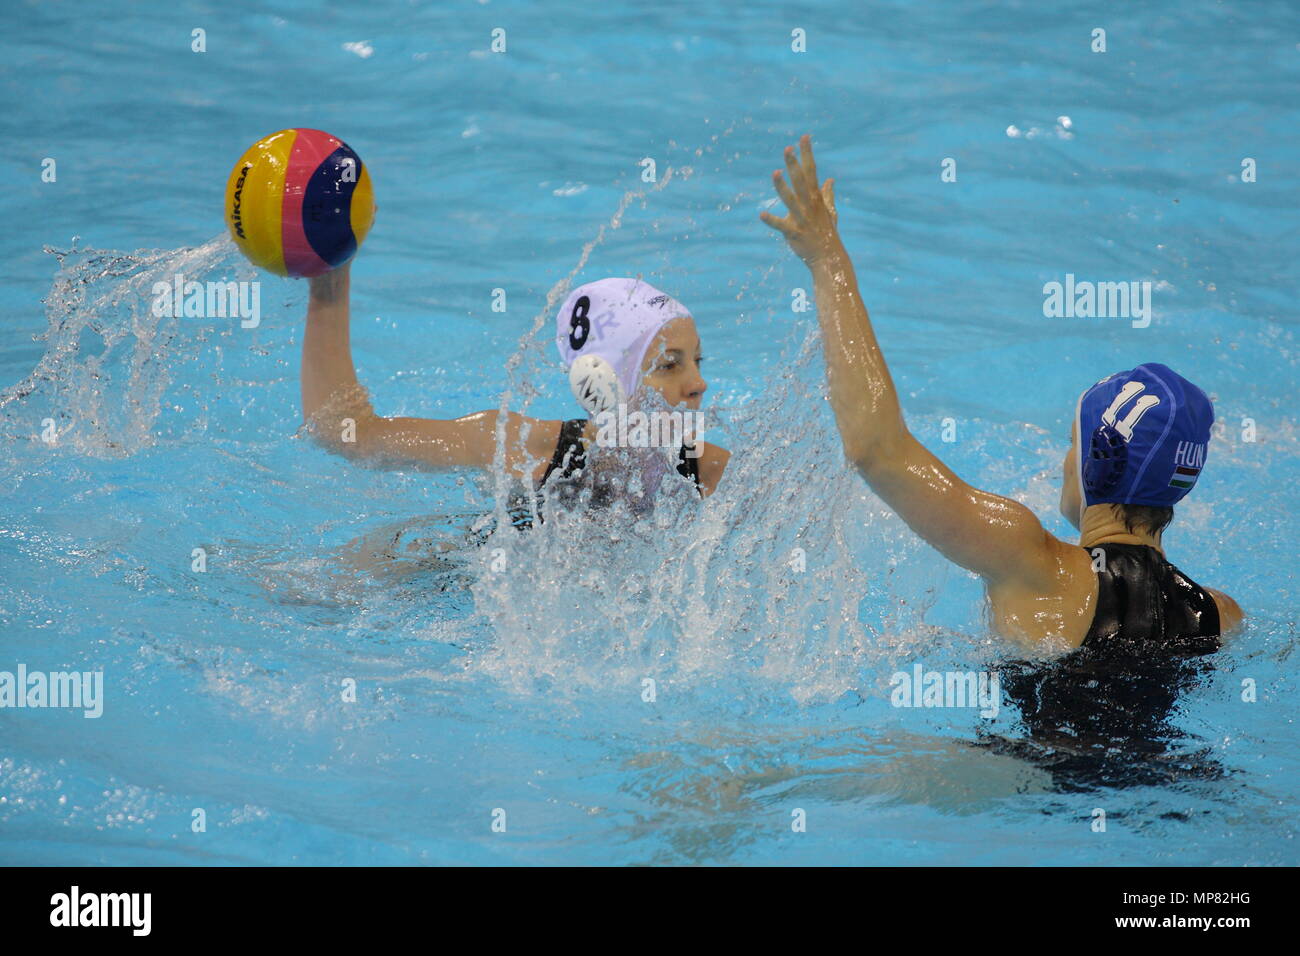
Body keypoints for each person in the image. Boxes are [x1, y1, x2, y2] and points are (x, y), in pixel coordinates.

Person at [761, 135, 1243, 652]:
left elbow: (876, 451)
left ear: (1099, 463)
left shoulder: (1034, 566)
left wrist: (825, 258)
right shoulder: (1219, 615)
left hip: (1019, 739)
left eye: (1072, 443)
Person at [300, 264, 729, 513]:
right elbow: (345, 433)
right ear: (599, 378)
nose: (698, 384)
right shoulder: (514, 447)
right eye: (669, 365)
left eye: (698, 360)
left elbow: (797, 501)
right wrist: (329, 282)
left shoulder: (704, 472)